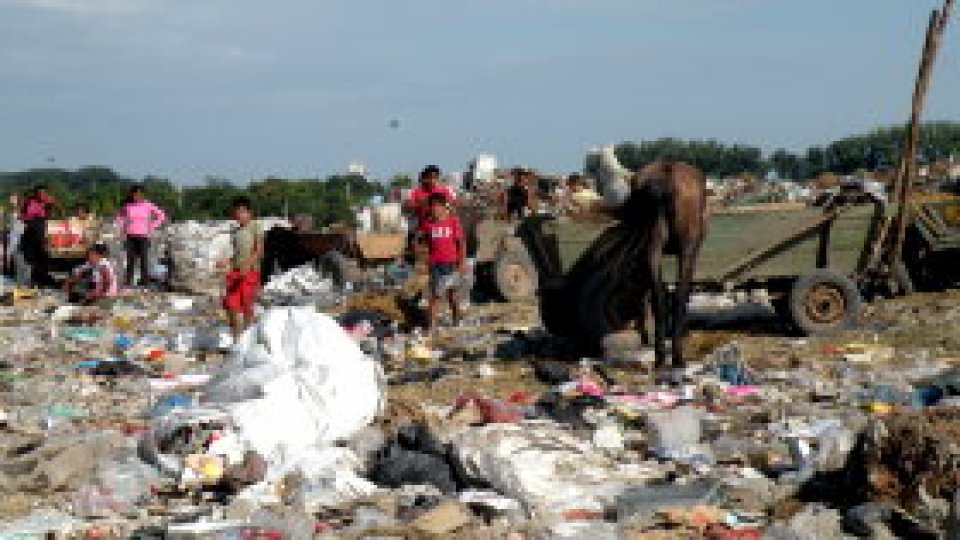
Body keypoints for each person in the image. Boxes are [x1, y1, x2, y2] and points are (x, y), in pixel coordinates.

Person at [218, 196, 263, 339]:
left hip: (250, 273)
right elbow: (236, 255)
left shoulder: (256, 227)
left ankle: (247, 339)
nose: (240, 215)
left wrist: (248, 264)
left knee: (247, 307)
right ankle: (237, 340)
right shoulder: (236, 232)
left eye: (243, 211)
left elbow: (259, 250)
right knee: (231, 306)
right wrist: (227, 262)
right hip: (236, 273)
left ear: (250, 213)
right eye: (237, 212)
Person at [420, 192, 466, 330]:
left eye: (437, 206)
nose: (434, 209)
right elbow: (424, 242)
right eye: (432, 206)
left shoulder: (453, 222)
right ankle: (431, 326)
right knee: (435, 296)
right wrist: (425, 258)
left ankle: (456, 318)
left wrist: (462, 262)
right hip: (435, 264)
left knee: (452, 295)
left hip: (451, 263)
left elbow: (461, 243)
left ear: (443, 206)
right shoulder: (428, 224)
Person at [115, 185, 166, 287]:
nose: (137, 196)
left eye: (139, 194)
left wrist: (152, 226)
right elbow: (119, 217)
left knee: (144, 260)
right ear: (132, 194)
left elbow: (161, 215)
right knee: (130, 260)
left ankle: (144, 283)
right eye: (135, 194)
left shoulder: (148, 205)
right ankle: (128, 283)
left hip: (143, 236)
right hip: (130, 236)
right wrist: (123, 227)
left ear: (143, 194)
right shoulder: (128, 206)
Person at [18, 185, 58, 287]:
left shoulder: (49, 203)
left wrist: (54, 204)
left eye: (44, 194)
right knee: (32, 261)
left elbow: (57, 215)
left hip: (42, 235)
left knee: (43, 260)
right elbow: (22, 217)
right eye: (39, 194)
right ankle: (33, 282)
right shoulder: (30, 203)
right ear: (35, 194)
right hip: (32, 235)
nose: (42, 196)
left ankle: (41, 281)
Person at [407, 165, 457, 230]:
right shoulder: (417, 192)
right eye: (429, 178)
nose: (432, 180)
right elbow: (410, 207)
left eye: (435, 178)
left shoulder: (445, 191)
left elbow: (452, 207)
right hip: (423, 223)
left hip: (442, 224)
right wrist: (423, 204)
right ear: (424, 179)